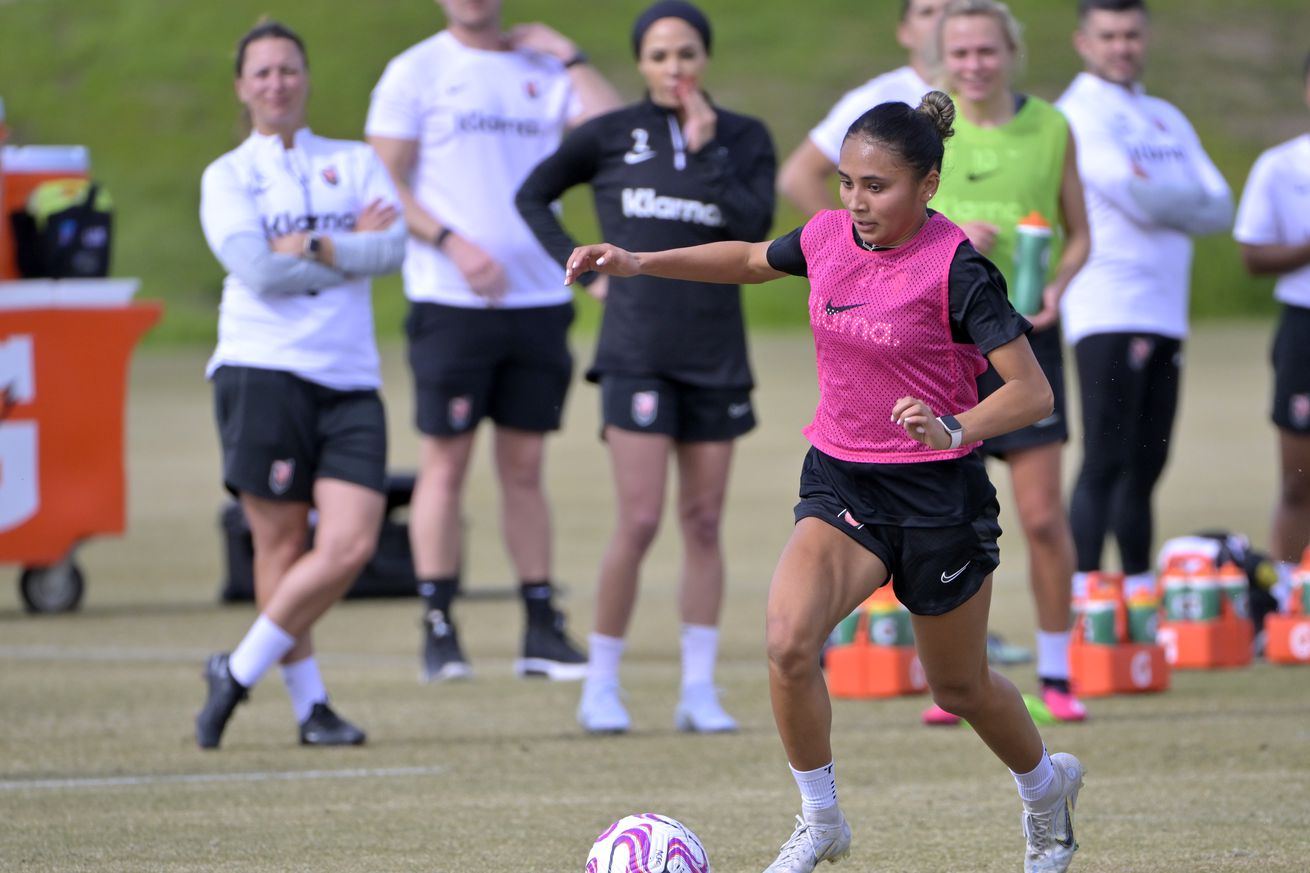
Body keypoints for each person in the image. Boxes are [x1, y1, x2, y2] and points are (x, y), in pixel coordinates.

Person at [565, 92, 1086, 873]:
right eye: (846, 181)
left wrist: (954, 427)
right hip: (843, 479)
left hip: (937, 497)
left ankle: (1047, 799)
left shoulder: (958, 269)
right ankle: (822, 818)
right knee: (786, 643)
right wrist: (640, 261)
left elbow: (1032, 391)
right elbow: (746, 258)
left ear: (928, 186)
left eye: (877, 186)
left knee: (960, 687)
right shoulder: (827, 236)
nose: (856, 201)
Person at [516, 1, 776, 734]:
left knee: (702, 519)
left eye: (687, 54)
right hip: (636, 356)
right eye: (660, 56)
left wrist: (708, 150)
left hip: (715, 355)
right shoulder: (607, 134)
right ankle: (601, 683)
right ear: (641, 63)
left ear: (705, 58)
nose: (674, 68)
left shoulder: (743, 137)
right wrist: (583, 272)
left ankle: (698, 689)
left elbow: (754, 232)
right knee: (637, 517)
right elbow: (532, 195)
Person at [365, 0, 622, 683]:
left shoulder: (541, 67)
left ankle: (540, 627)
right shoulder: (416, 70)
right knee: (444, 465)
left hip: (538, 299)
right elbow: (383, 176)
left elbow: (616, 132)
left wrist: (567, 52)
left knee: (524, 466)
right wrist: (452, 243)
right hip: (453, 301)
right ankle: (440, 625)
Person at [195, 21, 407, 749]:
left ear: (305, 78)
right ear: (242, 86)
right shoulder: (227, 176)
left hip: (348, 376)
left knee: (350, 542)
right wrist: (346, 245)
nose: (276, 83)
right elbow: (256, 270)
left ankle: (236, 667)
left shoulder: (352, 161)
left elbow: (391, 248)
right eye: (262, 73)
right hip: (261, 366)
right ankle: (311, 707)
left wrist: (311, 244)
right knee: (279, 544)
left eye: (288, 69)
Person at [924, 0, 1090, 725]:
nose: (973, 64)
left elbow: (1079, 232)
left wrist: (1056, 285)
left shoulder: (1050, 125)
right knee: (941, 519)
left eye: (986, 51)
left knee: (1042, 515)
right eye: (960, 53)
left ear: (1010, 51)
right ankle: (949, 679)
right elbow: (881, 225)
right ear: (941, 57)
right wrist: (955, 232)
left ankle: (1056, 671)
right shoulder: (923, 130)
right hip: (940, 344)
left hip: (1022, 333)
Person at [1056, 0, 1233, 603]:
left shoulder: (1165, 117)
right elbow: (1143, 202)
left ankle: (1137, 594)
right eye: (1108, 35)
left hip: (1165, 309)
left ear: (1145, 37)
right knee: (1105, 455)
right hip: (1108, 305)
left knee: (1149, 463)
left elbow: (1223, 206)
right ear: (1084, 41)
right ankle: (1084, 595)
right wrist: (1174, 200)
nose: (1122, 46)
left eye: (1131, 34)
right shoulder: (1078, 115)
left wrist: (1167, 198)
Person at [1232, 51, 1310, 612]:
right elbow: (1253, 256)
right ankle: (1286, 603)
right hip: (1302, 325)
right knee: (1299, 478)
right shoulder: (1282, 167)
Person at [776, 0, 943, 216]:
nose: (941, 20)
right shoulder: (878, 97)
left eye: (952, 9)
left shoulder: (993, 96)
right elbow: (798, 176)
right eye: (927, 12)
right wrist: (845, 241)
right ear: (904, 32)